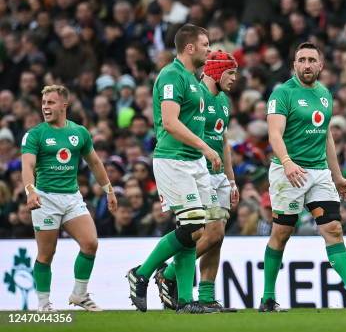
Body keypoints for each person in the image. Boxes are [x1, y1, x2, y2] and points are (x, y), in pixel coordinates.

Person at [260, 42, 346, 312]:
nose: (306, 65)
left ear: (321, 65)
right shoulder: (282, 94)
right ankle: (268, 297)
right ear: (294, 64)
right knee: (282, 232)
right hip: (289, 172)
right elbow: (274, 133)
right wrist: (287, 163)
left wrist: (338, 176)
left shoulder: (324, 94)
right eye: (301, 60)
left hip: (319, 172)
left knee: (333, 228)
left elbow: (326, 136)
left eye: (311, 60)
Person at [126, 23, 222, 314]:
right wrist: (206, 148)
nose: (209, 49)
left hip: (194, 162)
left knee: (195, 229)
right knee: (192, 225)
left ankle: (184, 300)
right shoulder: (171, 75)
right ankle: (141, 273)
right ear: (190, 47)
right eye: (205, 44)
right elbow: (169, 121)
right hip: (173, 160)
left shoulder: (195, 80)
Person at [155, 50, 240, 312]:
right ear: (216, 72)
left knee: (217, 237)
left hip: (217, 175)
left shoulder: (224, 101)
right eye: (230, 72)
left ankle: (205, 296)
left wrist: (231, 178)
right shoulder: (196, 94)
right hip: (193, 170)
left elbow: (223, 139)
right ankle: (168, 274)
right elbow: (173, 125)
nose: (235, 78)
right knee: (206, 232)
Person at [21, 84, 118, 312]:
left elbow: (94, 162)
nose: (45, 107)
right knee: (47, 253)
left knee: (90, 243)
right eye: (44, 103)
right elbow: (28, 164)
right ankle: (44, 304)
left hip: (72, 197)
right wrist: (30, 190)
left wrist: (109, 190)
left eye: (51, 102)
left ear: (64, 105)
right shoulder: (35, 134)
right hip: (45, 198)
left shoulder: (79, 133)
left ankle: (79, 294)